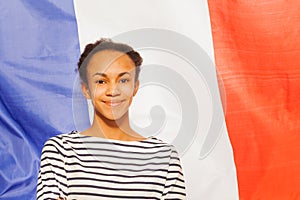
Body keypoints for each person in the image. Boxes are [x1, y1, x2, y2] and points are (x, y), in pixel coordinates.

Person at [37, 38, 186, 199]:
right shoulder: (61, 150)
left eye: (123, 80)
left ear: (135, 87)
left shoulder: (164, 156)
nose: (113, 91)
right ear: (86, 89)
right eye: (101, 81)